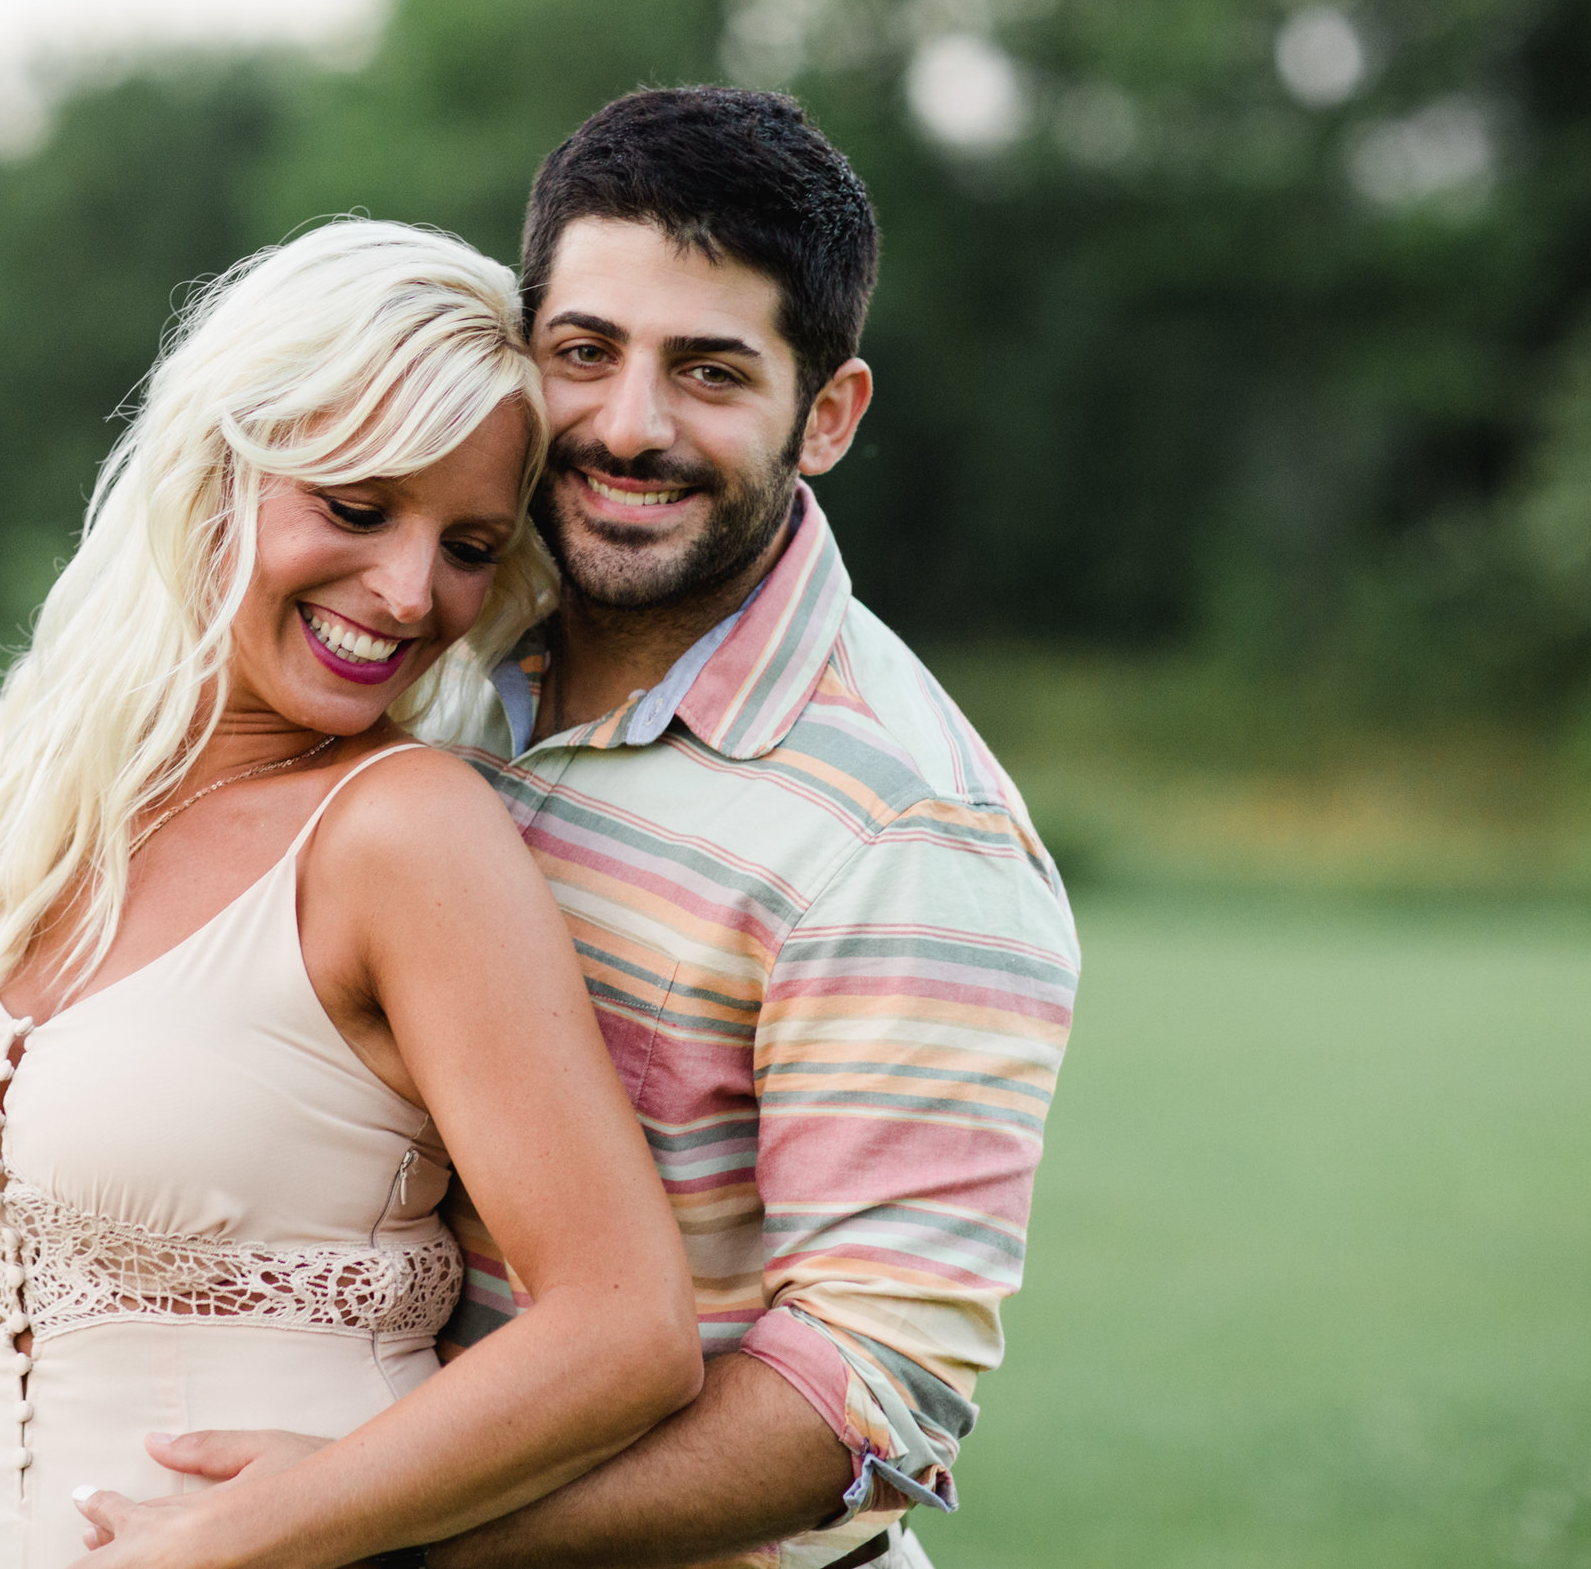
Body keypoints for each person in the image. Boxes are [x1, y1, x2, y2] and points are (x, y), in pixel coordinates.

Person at [121, 90, 1082, 1568]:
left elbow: (870, 1394)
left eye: (709, 372)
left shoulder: (904, 827)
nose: (629, 427)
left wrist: (382, 1534)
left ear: (826, 415)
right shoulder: (427, 652)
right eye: (586, 354)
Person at [0, 219, 705, 1569]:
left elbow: (624, 1326)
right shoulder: (30, 812)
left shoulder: (406, 836)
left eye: (472, 545)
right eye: (357, 508)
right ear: (216, 470)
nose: (413, 591)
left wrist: (240, 1535)